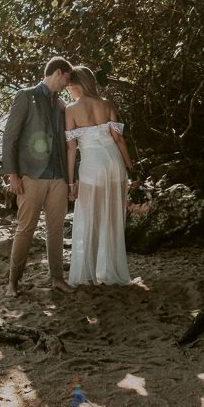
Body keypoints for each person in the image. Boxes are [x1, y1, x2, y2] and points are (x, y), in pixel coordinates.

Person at [1, 57, 78, 298]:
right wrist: (12, 174)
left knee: (56, 230)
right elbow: (9, 137)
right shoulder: (26, 96)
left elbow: (68, 142)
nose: (67, 84)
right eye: (67, 79)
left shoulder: (61, 104)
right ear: (57, 73)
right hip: (31, 176)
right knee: (25, 229)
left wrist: (70, 180)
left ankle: (57, 278)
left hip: (58, 177)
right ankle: (13, 282)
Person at [64, 66, 138, 287]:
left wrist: (71, 182)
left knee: (89, 220)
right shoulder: (106, 104)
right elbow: (119, 140)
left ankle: (88, 274)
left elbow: (71, 150)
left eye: (71, 83)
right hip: (116, 164)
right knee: (114, 218)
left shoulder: (71, 109)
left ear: (80, 84)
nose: (68, 87)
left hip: (93, 166)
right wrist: (132, 170)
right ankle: (112, 270)